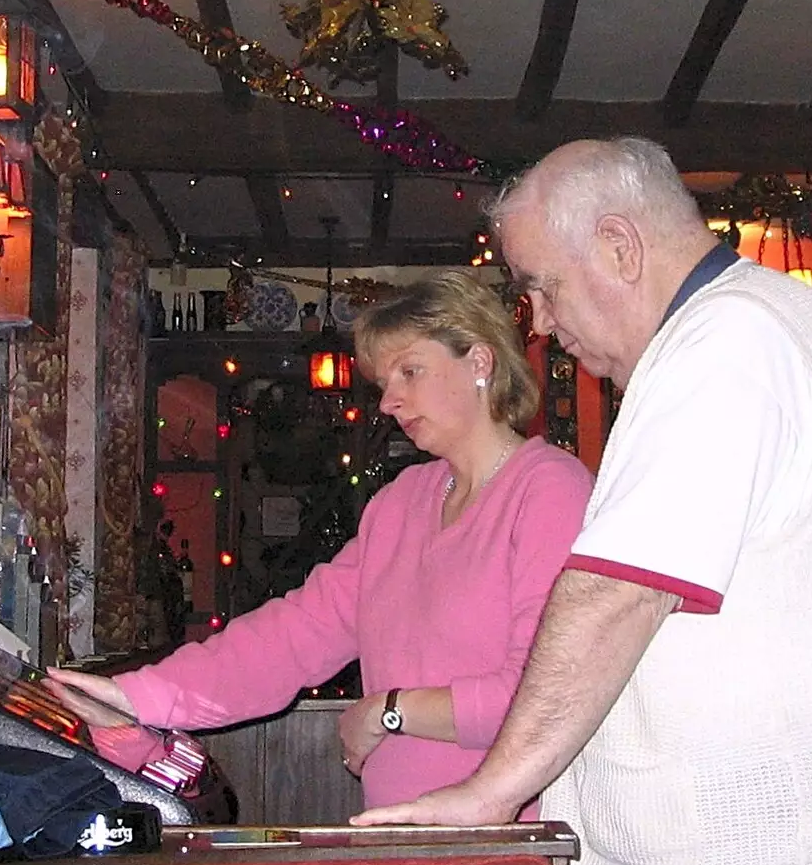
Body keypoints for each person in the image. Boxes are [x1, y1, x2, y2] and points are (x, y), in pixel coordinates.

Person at [353, 139, 812, 865]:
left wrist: (488, 795)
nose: (544, 324)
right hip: (804, 858)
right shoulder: (748, 326)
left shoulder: (727, 339)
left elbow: (617, 592)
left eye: (545, 288)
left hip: (796, 864)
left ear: (620, 246)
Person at [48, 270, 593, 812]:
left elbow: (542, 697)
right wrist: (139, 696)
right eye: (385, 383)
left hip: (508, 841)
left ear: (479, 362)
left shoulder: (549, 491)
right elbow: (295, 635)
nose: (389, 402)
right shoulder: (403, 501)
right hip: (399, 836)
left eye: (411, 371)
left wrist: (389, 712)